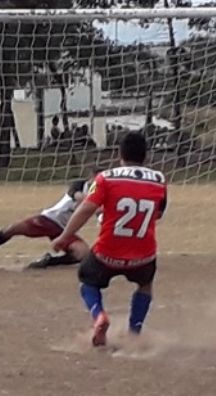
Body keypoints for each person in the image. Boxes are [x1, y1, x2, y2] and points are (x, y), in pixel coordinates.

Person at [53, 131, 167, 347]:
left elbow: (85, 209)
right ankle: (134, 332)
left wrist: (64, 236)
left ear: (119, 153)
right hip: (142, 255)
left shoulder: (105, 178)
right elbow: (159, 213)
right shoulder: (159, 180)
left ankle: (99, 316)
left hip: (108, 253)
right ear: (146, 155)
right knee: (145, 284)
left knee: (87, 279)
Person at [0, 168, 100, 269]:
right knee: (12, 229)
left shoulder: (100, 196)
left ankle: (48, 262)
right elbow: (78, 196)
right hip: (48, 219)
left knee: (83, 253)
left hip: (65, 230)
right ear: (91, 177)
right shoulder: (79, 185)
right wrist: (97, 203)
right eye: (97, 178)